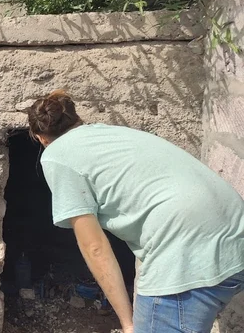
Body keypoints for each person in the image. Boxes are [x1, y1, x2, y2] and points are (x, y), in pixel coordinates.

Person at [26, 90, 244, 333]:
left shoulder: (56, 156)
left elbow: (95, 247)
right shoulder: (113, 134)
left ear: (41, 138)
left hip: (186, 249)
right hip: (235, 233)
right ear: (77, 121)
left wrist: (128, 324)